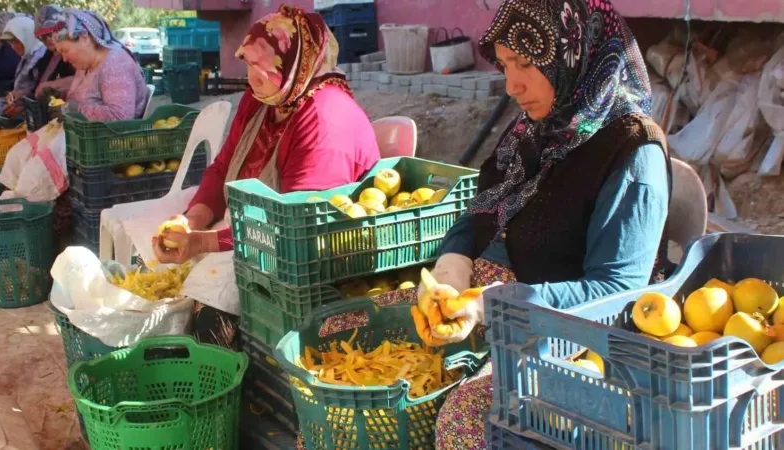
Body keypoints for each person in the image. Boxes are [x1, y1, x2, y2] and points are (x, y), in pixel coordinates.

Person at [413, 0, 672, 447]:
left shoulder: (632, 154)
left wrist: (495, 305)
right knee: (355, 341)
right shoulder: (538, 128)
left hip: (571, 335)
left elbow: (617, 294)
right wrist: (449, 271)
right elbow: (483, 211)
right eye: (507, 64)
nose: (512, 85)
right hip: (497, 305)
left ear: (576, 54)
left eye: (528, 64)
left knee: (466, 421)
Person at [152, 5, 381, 347]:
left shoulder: (324, 118)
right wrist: (191, 220)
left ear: (292, 66)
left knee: (212, 312)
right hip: (250, 232)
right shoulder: (266, 98)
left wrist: (201, 242)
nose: (250, 77)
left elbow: (293, 225)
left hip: (307, 252)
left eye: (260, 67)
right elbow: (223, 168)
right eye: (248, 65)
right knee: (160, 279)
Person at [49, 9, 149, 121]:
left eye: (65, 51)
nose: (64, 59)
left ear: (84, 38)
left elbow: (120, 116)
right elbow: (84, 98)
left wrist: (76, 110)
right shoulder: (85, 65)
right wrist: (60, 95)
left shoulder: (115, 65)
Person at [0, 5, 76, 123]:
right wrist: (21, 100)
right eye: (44, 37)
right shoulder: (46, 57)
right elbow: (37, 92)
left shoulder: (71, 58)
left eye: (52, 34)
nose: (49, 39)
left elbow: (78, 88)